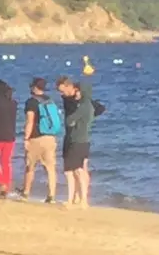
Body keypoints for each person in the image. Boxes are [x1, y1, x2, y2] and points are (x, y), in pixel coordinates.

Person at [56, 76, 104, 209]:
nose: (62, 94)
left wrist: (84, 119)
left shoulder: (83, 103)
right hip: (73, 137)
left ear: (72, 88)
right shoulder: (69, 100)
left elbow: (98, 108)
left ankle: (81, 198)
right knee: (73, 169)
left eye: (63, 90)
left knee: (78, 169)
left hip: (78, 138)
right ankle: (77, 198)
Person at [20, 77, 62, 204]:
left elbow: (30, 121)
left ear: (34, 87)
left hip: (36, 138)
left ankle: (26, 193)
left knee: (30, 167)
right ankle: (52, 196)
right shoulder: (49, 101)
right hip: (50, 137)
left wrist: (26, 138)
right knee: (50, 168)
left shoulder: (31, 102)